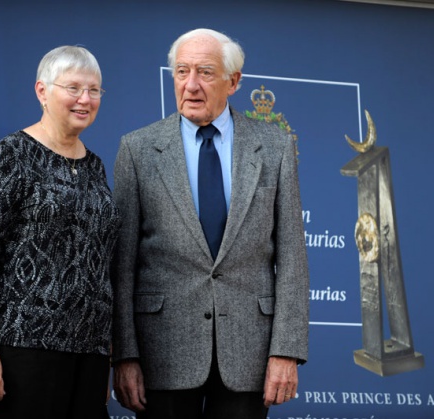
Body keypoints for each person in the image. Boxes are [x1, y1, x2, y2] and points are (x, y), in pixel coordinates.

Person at [111, 28, 309, 419]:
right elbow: (121, 265)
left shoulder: (275, 147)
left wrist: (286, 350)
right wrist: (125, 355)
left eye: (205, 72)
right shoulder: (136, 149)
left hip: (248, 355)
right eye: (181, 72)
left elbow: (291, 258)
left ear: (233, 81)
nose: (191, 84)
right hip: (161, 353)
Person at [0, 45, 120, 419]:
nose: (86, 99)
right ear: (42, 91)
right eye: (74, 88)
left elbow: (102, 264)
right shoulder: (10, 155)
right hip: (24, 351)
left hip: (89, 356)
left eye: (94, 90)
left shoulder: (95, 167)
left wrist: (108, 353)